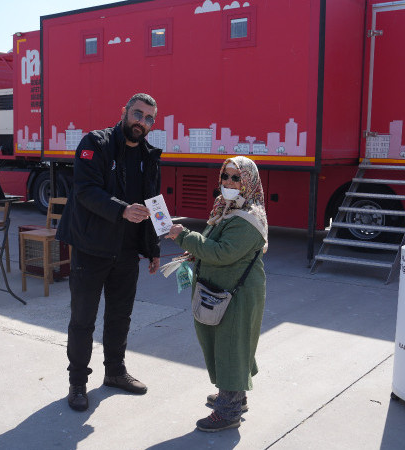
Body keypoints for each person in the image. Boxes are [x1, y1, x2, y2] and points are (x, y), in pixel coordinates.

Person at [55, 93, 162, 412]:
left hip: (127, 252)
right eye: (138, 114)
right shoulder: (96, 143)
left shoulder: (149, 154)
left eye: (149, 119)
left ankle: (115, 372)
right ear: (125, 112)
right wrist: (122, 210)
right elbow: (85, 191)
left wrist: (154, 246)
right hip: (91, 248)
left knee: (120, 316)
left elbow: (154, 200)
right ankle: (77, 382)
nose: (142, 122)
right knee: (83, 319)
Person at [166, 156, 268, 432]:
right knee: (229, 345)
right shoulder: (227, 209)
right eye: (226, 176)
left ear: (249, 182)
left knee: (231, 347)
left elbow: (223, 253)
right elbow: (214, 243)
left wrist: (185, 236)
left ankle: (228, 411)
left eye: (236, 178)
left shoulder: (248, 219)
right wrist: (193, 251)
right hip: (223, 290)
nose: (229, 182)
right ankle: (235, 394)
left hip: (238, 295)